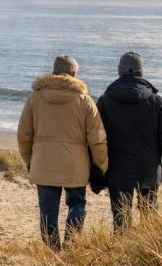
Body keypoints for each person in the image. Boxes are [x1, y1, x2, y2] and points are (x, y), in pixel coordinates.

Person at [17, 55, 108, 249]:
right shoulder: (84, 100)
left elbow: (24, 134)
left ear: (53, 72)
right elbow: (97, 138)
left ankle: (53, 249)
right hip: (75, 165)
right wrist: (101, 165)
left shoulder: (35, 97)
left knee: (48, 212)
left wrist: (30, 160)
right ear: (74, 74)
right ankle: (71, 245)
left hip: (44, 164)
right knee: (77, 206)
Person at [97, 51, 162, 232]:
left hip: (118, 171)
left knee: (121, 220)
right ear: (142, 72)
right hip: (148, 170)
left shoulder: (105, 101)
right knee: (150, 220)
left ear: (119, 71)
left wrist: (97, 173)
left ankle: (121, 256)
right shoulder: (156, 102)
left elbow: (97, 140)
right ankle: (147, 255)